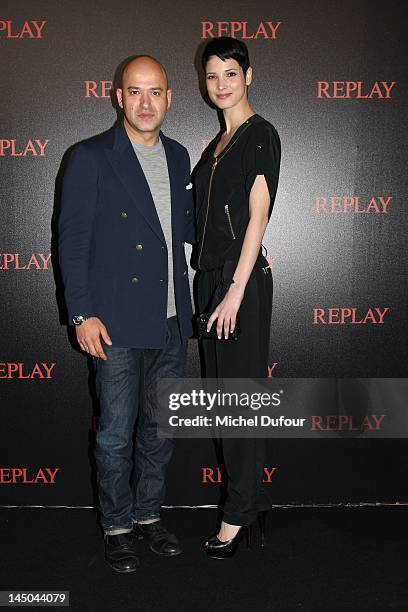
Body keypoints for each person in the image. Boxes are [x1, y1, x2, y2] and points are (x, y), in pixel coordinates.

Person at [59, 55, 194, 573]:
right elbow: (71, 243)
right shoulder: (90, 157)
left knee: (160, 431)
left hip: (170, 321)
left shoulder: (181, 157)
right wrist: (81, 314)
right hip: (113, 321)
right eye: (134, 92)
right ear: (118, 96)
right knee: (116, 432)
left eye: (155, 91)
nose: (145, 102)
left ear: (169, 97)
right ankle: (117, 526)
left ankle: (148, 516)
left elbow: (183, 237)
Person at [193, 37, 281, 558]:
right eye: (212, 76)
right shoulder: (215, 145)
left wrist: (236, 290)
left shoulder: (260, 135)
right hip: (212, 281)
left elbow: (258, 215)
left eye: (230, 73)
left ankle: (238, 515)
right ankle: (255, 501)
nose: (221, 84)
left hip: (236, 285)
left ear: (248, 75)